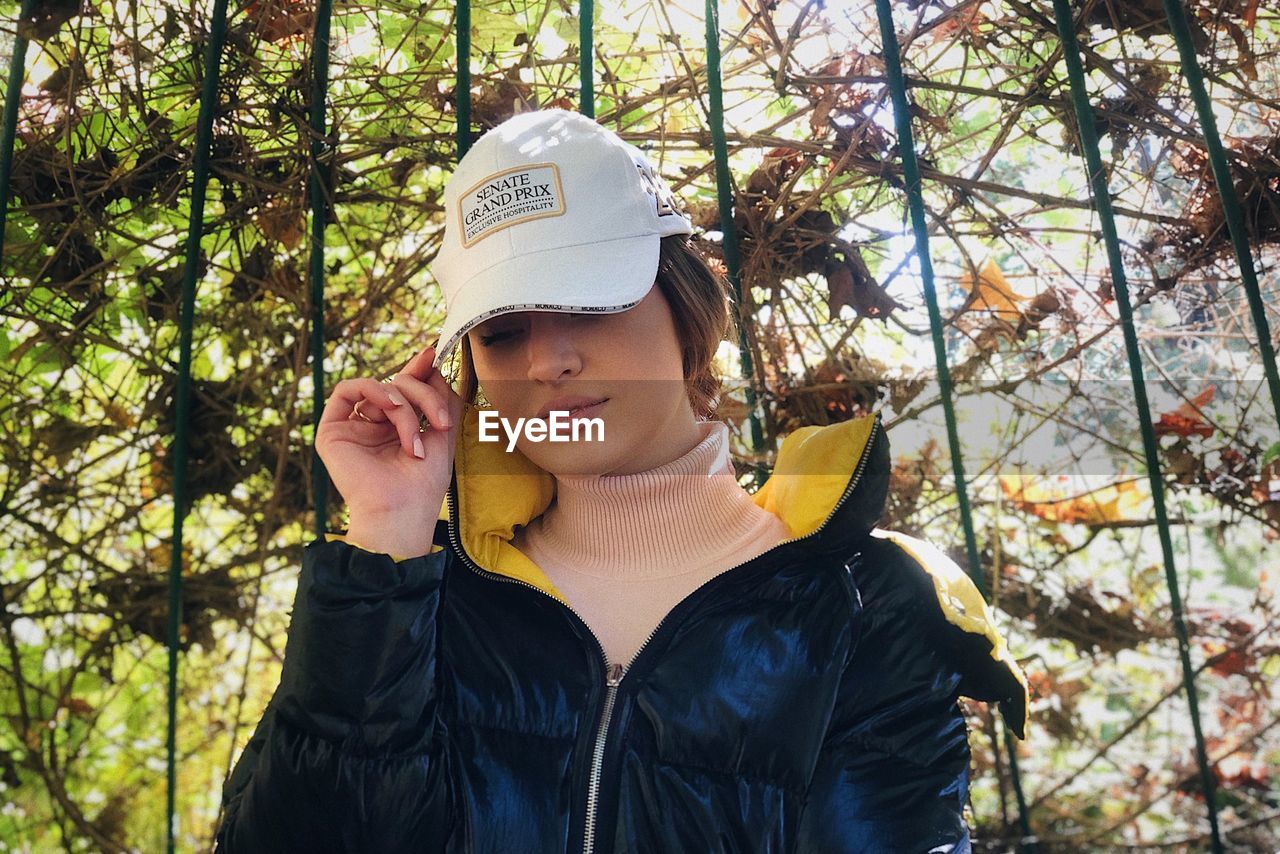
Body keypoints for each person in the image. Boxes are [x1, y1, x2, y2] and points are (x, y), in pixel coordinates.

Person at [213, 108, 1028, 853]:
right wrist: (387, 534)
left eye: (587, 302)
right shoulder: (416, 604)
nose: (545, 359)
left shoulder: (865, 603)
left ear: (686, 306)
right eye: (500, 333)